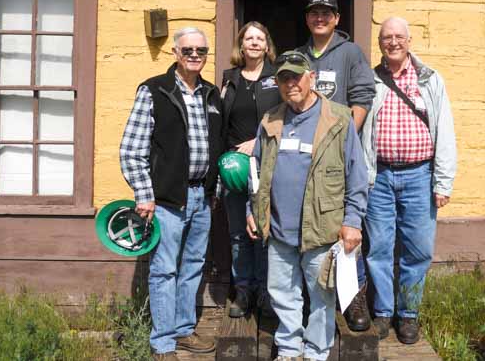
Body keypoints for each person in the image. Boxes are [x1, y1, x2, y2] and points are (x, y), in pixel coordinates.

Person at [246, 51, 368, 361]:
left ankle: (316, 351)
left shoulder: (339, 119)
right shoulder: (270, 120)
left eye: (296, 77)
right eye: (284, 78)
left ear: (310, 77)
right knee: (282, 294)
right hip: (278, 229)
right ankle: (289, 348)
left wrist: (353, 220)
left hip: (322, 228)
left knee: (322, 296)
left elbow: (357, 174)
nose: (290, 84)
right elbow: (255, 171)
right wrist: (252, 211)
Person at [120, 27, 222, 359]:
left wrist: (214, 189)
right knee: (164, 269)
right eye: (188, 50)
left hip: (201, 198)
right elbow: (132, 150)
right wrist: (144, 194)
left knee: (193, 264)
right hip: (165, 199)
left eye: (201, 51)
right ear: (175, 53)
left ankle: (183, 330)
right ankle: (163, 342)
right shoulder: (155, 90)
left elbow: (217, 146)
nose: (195, 56)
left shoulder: (211, 93)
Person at [361, 17, 457, 344]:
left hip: (420, 176)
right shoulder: (370, 80)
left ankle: (410, 314)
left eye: (399, 36)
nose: (393, 42)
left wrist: (442, 182)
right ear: (380, 43)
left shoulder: (430, 80)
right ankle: (384, 311)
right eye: (387, 37)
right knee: (379, 248)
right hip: (380, 177)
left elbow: (444, 132)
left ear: (409, 40)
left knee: (418, 249)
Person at [297, 0, 375, 331]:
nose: (320, 18)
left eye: (326, 13)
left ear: (337, 18)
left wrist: (341, 139)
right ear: (307, 18)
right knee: (310, 227)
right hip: (302, 157)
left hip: (338, 156)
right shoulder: (298, 55)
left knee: (347, 226)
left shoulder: (351, 52)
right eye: (314, 12)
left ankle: (353, 300)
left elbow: (361, 99)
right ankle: (310, 300)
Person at [220, 21, 281, 317]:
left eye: (260, 38)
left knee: (262, 230)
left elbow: (286, 118)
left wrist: (257, 141)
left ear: (267, 46)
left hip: (266, 163)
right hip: (234, 165)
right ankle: (242, 289)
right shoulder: (229, 78)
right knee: (237, 233)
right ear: (241, 46)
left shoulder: (277, 78)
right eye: (249, 38)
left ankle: (265, 291)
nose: (255, 43)